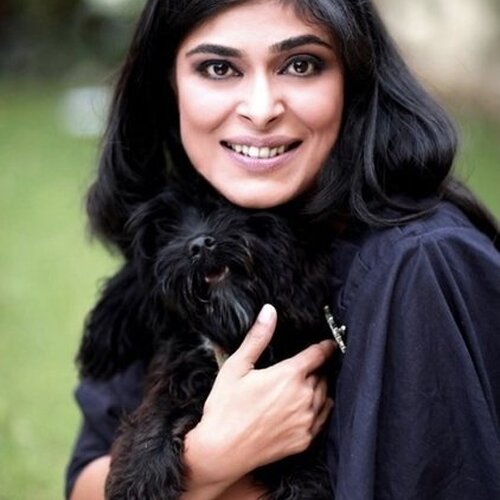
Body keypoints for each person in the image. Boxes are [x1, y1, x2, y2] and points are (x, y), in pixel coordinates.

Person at [66, 0, 500, 498]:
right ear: (169, 85)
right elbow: (85, 480)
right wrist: (210, 459)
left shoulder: (422, 264)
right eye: (219, 68)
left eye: (301, 64)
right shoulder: (181, 235)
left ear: (354, 77)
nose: (261, 109)